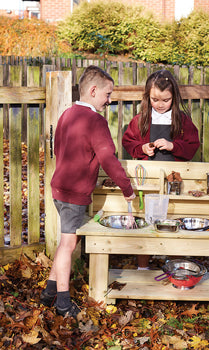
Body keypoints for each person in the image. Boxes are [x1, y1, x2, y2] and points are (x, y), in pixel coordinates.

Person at [40, 65, 136, 318]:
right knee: (68, 244)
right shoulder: (96, 121)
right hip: (73, 192)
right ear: (93, 91)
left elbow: (59, 147)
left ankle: (49, 292)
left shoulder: (67, 114)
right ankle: (63, 303)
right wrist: (127, 188)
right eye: (107, 94)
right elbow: (108, 157)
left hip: (59, 188)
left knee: (66, 241)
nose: (109, 100)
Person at [122, 69, 200, 268]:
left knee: (173, 218)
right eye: (155, 100)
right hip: (147, 179)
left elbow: (193, 145)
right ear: (148, 97)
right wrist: (141, 148)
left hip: (174, 180)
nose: (160, 104)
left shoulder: (182, 121)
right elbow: (127, 141)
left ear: (174, 98)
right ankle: (142, 265)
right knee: (146, 218)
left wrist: (174, 146)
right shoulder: (140, 120)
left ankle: (174, 263)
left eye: (165, 100)